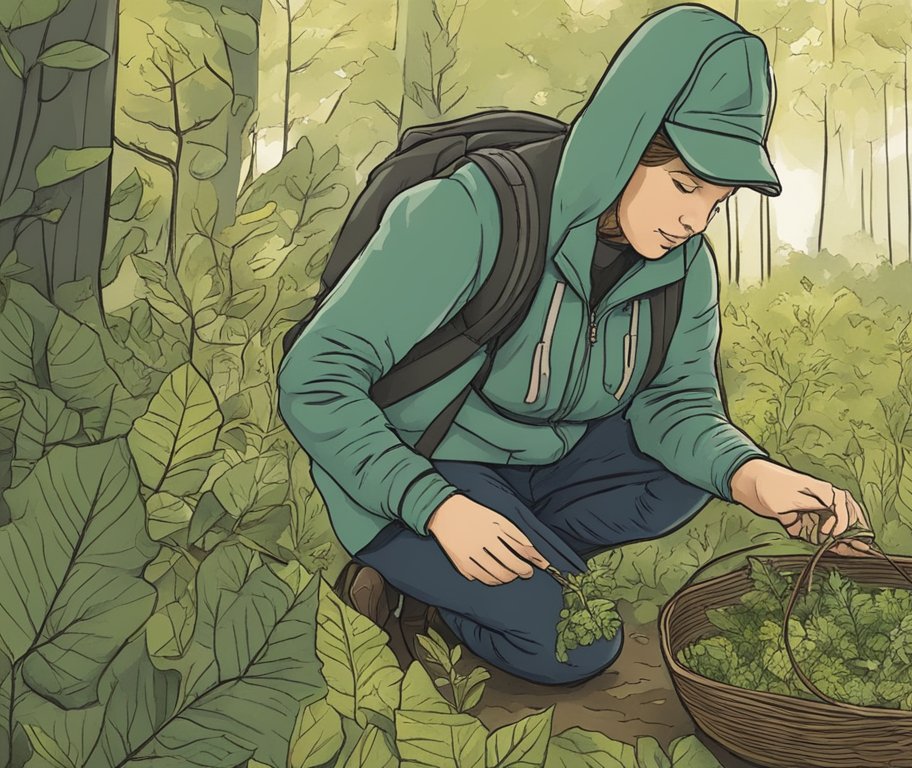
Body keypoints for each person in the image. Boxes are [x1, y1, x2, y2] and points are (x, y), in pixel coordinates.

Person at [277, 3, 874, 687]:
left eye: (717, 200)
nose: (694, 220)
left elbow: (677, 407)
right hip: (422, 463)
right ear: (623, 145)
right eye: (684, 184)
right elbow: (315, 378)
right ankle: (411, 572)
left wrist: (756, 478)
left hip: (545, 461)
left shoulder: (683, 268)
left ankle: (506, 562)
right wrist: (436, 506)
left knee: (687, 476)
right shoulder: (470, 214)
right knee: (576, 645)